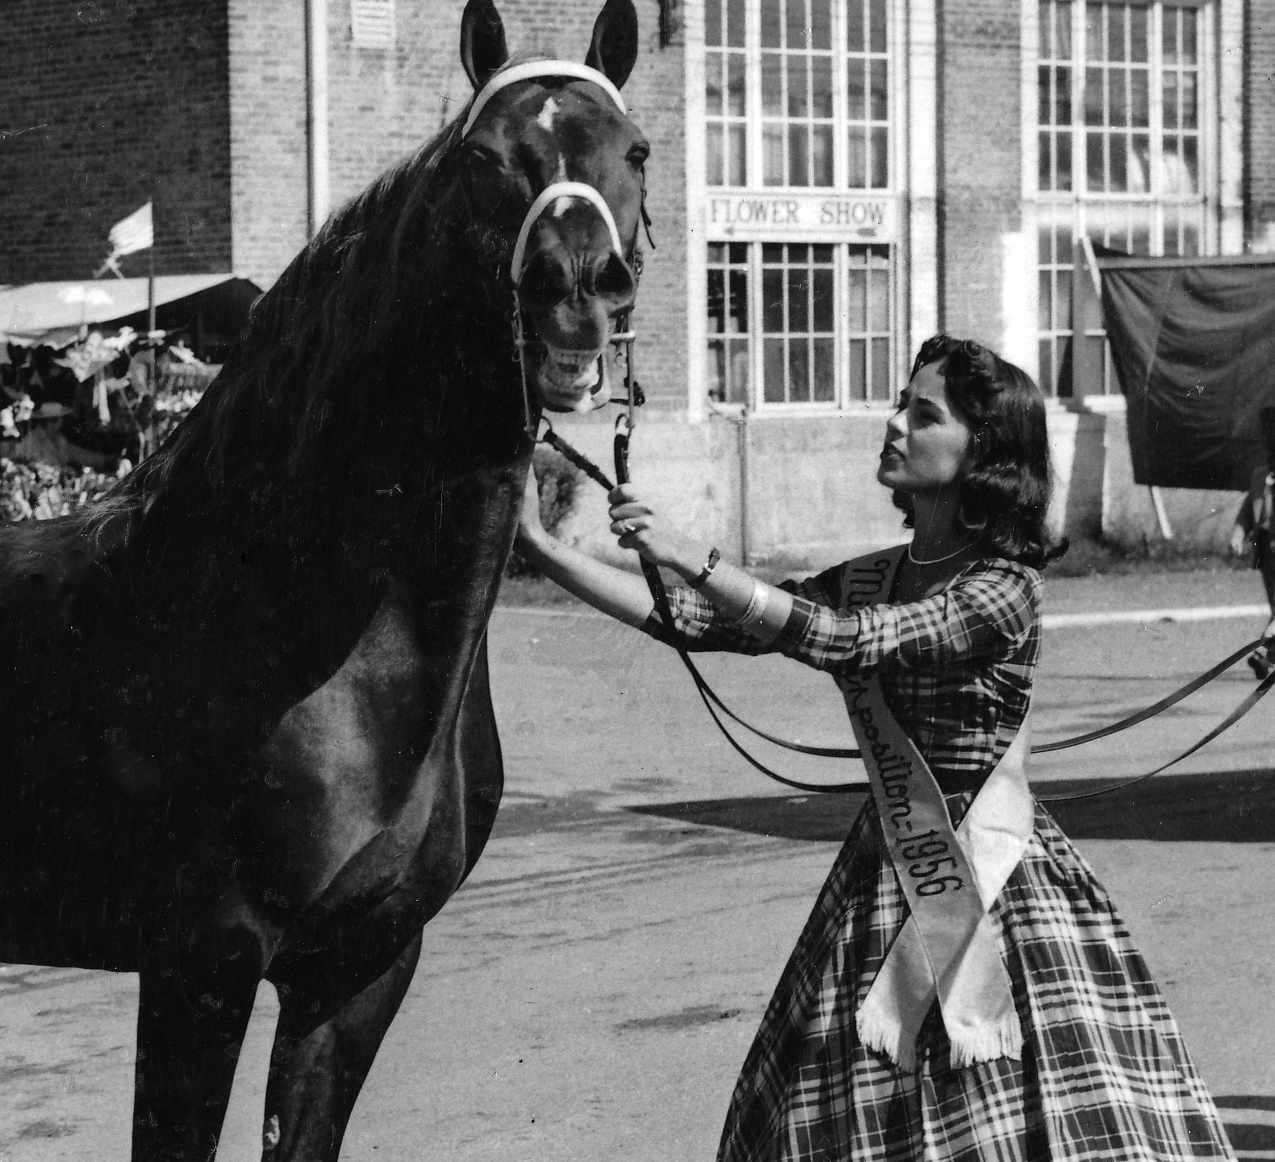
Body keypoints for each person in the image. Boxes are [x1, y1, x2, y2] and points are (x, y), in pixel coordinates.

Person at [518, 336, 1232, 1162]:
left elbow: (846, 641)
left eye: (921, 414)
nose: (892, 423)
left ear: (981, 457)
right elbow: (702, 621)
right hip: (884, 863)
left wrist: (694, 554)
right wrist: (543, 547)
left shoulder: (1004, 586)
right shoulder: (876, 572)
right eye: (901, 401)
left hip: (998, 870)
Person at [1228, 405, 1275, 680]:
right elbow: (1249, 509)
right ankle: (1268, 657)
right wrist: (1237, 534)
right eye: (1268, 441)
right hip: (1267, 553)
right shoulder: (1261, 475)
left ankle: (1264, 654)